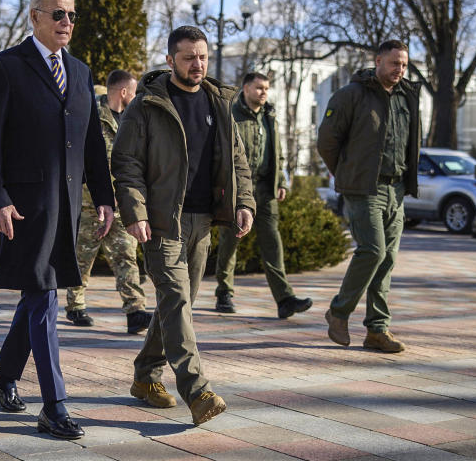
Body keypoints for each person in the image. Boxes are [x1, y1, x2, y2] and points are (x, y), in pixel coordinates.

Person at [0, 0, 114, 441]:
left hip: (68, 209)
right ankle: (55, 405)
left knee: (39, 295)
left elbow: (92, 143)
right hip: (22, 210)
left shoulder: (78, 71)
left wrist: (106, 197)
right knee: (44, 299)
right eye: (58, 14)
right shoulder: (5, 68)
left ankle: (3, 378)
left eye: (72, 14)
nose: (67, 22)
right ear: (34, 17)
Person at [111, 25, 255, 426]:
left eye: (203, 57)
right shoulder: (147, 106)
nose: (198, 64)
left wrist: (244, 202)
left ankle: (144, 376)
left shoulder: (219, 102)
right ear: (170, 59)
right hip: (161, 222)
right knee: (176, 300)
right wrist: (135, 212)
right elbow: (126, 165)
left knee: (178, 304)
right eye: (189, 57)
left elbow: (237, 160)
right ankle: (197, 390)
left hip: (204, 221)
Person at [317, 40, 421, 354]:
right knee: (372, 251)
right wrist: (346, 172)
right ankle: (339, 310)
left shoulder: (408, 96)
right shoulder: (351, 94)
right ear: (378, 61)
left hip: (396, 189)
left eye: (403, 65)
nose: (399, 71)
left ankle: (377, 330)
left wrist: (405, 182)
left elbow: (411, 142)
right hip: (364, 188)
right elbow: (327, 141)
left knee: (387, 259)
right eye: (393, 64)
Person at [214, 72, 312, 319]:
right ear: (245, 88)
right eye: (259, 88)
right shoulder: (231, 115)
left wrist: (281, 181)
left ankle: (284, 298)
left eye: (267, 88)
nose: (264, 92)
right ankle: (224, 291)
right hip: (238, 191)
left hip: (266, 190)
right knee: (230, 242)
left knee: (272, 244)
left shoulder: (270, 116)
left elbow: (278, 152)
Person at [65, 70, 151, 335]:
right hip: (92, 204)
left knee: (126, 255)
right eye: (133, 92)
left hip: (123, 204)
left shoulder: (132, 122)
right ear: (123, 92)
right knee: (83, 256)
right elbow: (79, 159)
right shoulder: (92, 119)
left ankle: (135, 310)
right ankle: (75, 305)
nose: (135, 98)